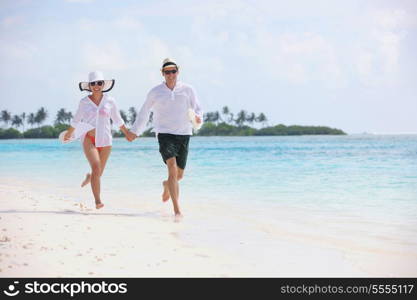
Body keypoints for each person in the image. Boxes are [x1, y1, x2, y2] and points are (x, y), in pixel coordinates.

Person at [127, 58, 203, 220]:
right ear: (162, 73)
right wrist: (135, 131)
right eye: (167, 72)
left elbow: (197, 109)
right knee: (172, 169)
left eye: (173, 71)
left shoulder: (188, 90)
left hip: (184, 133)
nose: (170, 75)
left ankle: (167, 185)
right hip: (164, 133)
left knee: (179, 175)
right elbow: (144, 111)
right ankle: (177, 210)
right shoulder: (155, 91)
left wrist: (198, 118)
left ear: (178, 72)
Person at [64, 71, 134, 209]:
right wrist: (69, 133)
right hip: (89, 139)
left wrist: (127, 133)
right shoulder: (84, 102)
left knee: (98, 173)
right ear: (89, 86)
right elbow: (76, 119)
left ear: (103, 85)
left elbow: (117, 119)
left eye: (99, 83)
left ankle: (89, 177)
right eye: (93, 83)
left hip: (106, 141)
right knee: (96, 167)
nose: (96, 86)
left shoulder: (110, 101)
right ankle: (97, 201)